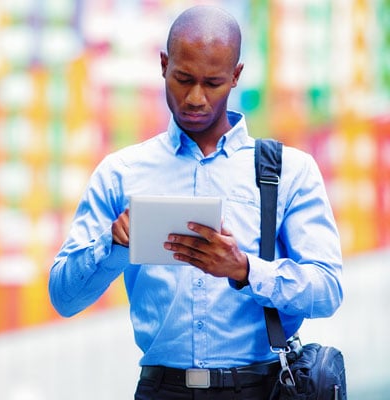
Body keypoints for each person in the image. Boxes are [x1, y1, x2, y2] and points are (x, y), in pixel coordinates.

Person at [49, 5, 343, 400]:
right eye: (183, 79)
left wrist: (244, 270)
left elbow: (327, 290)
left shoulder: (289, 171)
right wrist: (113, 245)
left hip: (260, 389)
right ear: (164, 65)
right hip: (160, 391)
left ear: (236, 76)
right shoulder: (121, 172)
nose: (195, 98)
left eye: (213, 83)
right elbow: (64, 298)